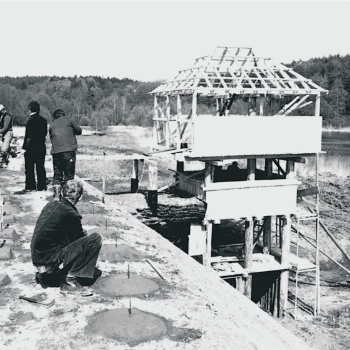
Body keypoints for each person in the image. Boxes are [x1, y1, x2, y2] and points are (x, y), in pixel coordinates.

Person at [31, 179, 102, 295]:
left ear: (63, 192)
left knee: (77, 236)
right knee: (94, 239)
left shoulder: (52, 204)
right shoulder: (71, 214)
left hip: (38, 257)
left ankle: (52, 273)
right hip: (48, 260)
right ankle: (70, 281)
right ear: (79, 196)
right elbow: (79, 242)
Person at [49, 109, 82, 199]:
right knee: (69, 175)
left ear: (55, 116)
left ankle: (56, 196)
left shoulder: (52, 125)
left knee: (57, 175)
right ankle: (68, 196)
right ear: (63, 114)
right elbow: (79, 131)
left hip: (56, 152)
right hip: (69, 151)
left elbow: (52, 138)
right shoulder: (69, 120)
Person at [22, 101, 47, 192]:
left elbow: (28, 136)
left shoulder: (30, 120)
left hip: (31, 147)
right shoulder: (44, 120)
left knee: (29, 168)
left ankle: (30, 186)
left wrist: (24, 148)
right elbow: (44, 133)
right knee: (40, 167)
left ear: (30, 109)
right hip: (41, 146)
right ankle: (42, 186)